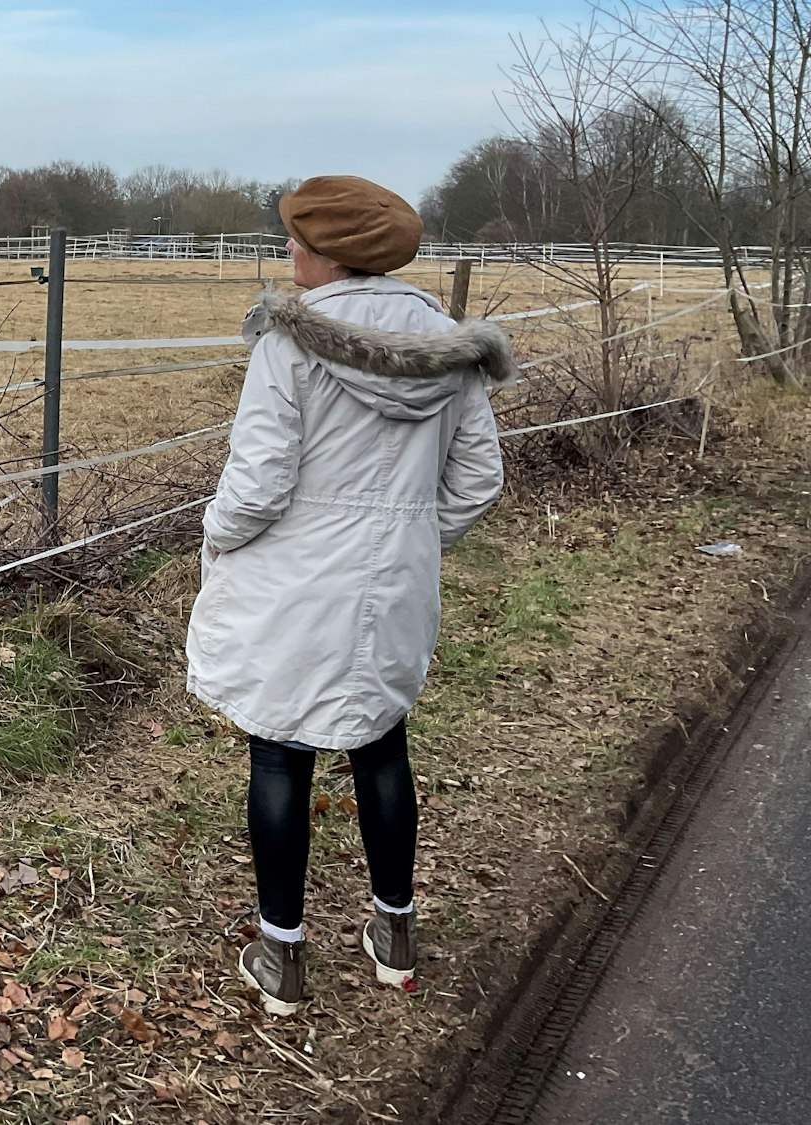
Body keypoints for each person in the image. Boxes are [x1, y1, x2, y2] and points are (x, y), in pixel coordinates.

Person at [184, 176, 511, 1016]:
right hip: (393, 584)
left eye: (297, 239)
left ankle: (282, 955)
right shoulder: (450, 349)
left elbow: (256, 486)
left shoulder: (288, 347)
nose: (288, 251)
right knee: (381, 743)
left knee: (280, 751)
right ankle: (394, 936)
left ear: (331, 252)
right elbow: (479, 477)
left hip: (295, 587)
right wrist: (410, 536)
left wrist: (215, 533)